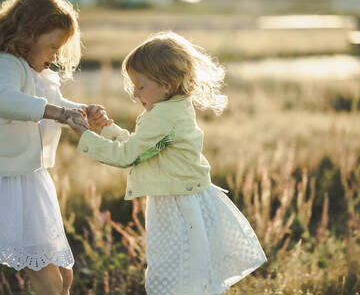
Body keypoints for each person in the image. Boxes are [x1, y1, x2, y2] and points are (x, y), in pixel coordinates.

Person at [66, 31, 267, 294]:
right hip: (180, 201)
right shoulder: (171, 108)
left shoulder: (163, 116)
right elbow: (145, 148)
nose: (135, 94)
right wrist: (107, 129)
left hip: (178, 207)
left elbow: (129, 156)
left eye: (141, 86)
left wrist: (86, 138)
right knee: (185, 272)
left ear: (167, 83)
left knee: (177, 275)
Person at [0, 0, 108, 295]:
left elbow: (55, 104)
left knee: (64, 276)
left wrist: (83, 111)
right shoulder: (2, 65)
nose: (56, 55)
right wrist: (60, 114)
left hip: (32, 180)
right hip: (10, 184)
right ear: (27, 34)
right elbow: (2, 101)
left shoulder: (36, 73)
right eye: (51, 46)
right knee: (48, 279)